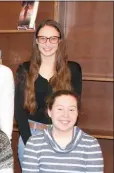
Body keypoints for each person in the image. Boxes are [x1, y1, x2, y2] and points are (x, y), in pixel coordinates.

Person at [14, 19, 82, 164]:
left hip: (63, 135)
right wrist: (30, 143)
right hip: (31, 135)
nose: (47, 43)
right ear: (37, 41)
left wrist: (66, 139)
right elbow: (19, 111)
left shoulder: (73, 70)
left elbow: (75, 108)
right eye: (43, 38)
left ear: (59, 41)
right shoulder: (24, 70)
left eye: (53, 39)